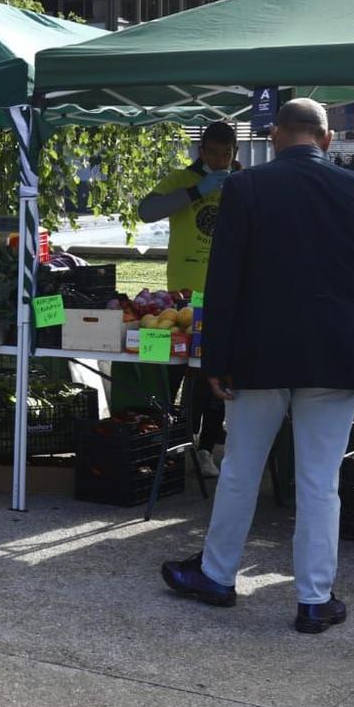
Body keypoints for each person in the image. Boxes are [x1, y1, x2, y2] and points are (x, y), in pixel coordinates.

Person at [162, 99, 354, 634]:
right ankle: (314, 599)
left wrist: (214, 359)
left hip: (259, 350)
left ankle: (218, 576)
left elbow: (222, 282)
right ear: (325, 138)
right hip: (335, 351)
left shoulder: (246, 188)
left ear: (274, 136)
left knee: (242, 470)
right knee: (319, 481)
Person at [136, 121, 240, 476]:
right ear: (202, 151)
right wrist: (198, 191)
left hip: (226, 293)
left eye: (227, 152)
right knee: (176, 372)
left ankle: (209, 445)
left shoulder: (242, 180)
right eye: (214, 151)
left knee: (217, 371)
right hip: (182, 294)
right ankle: (170, 441)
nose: (221, 159)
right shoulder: (181, 179)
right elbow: (146, 211)